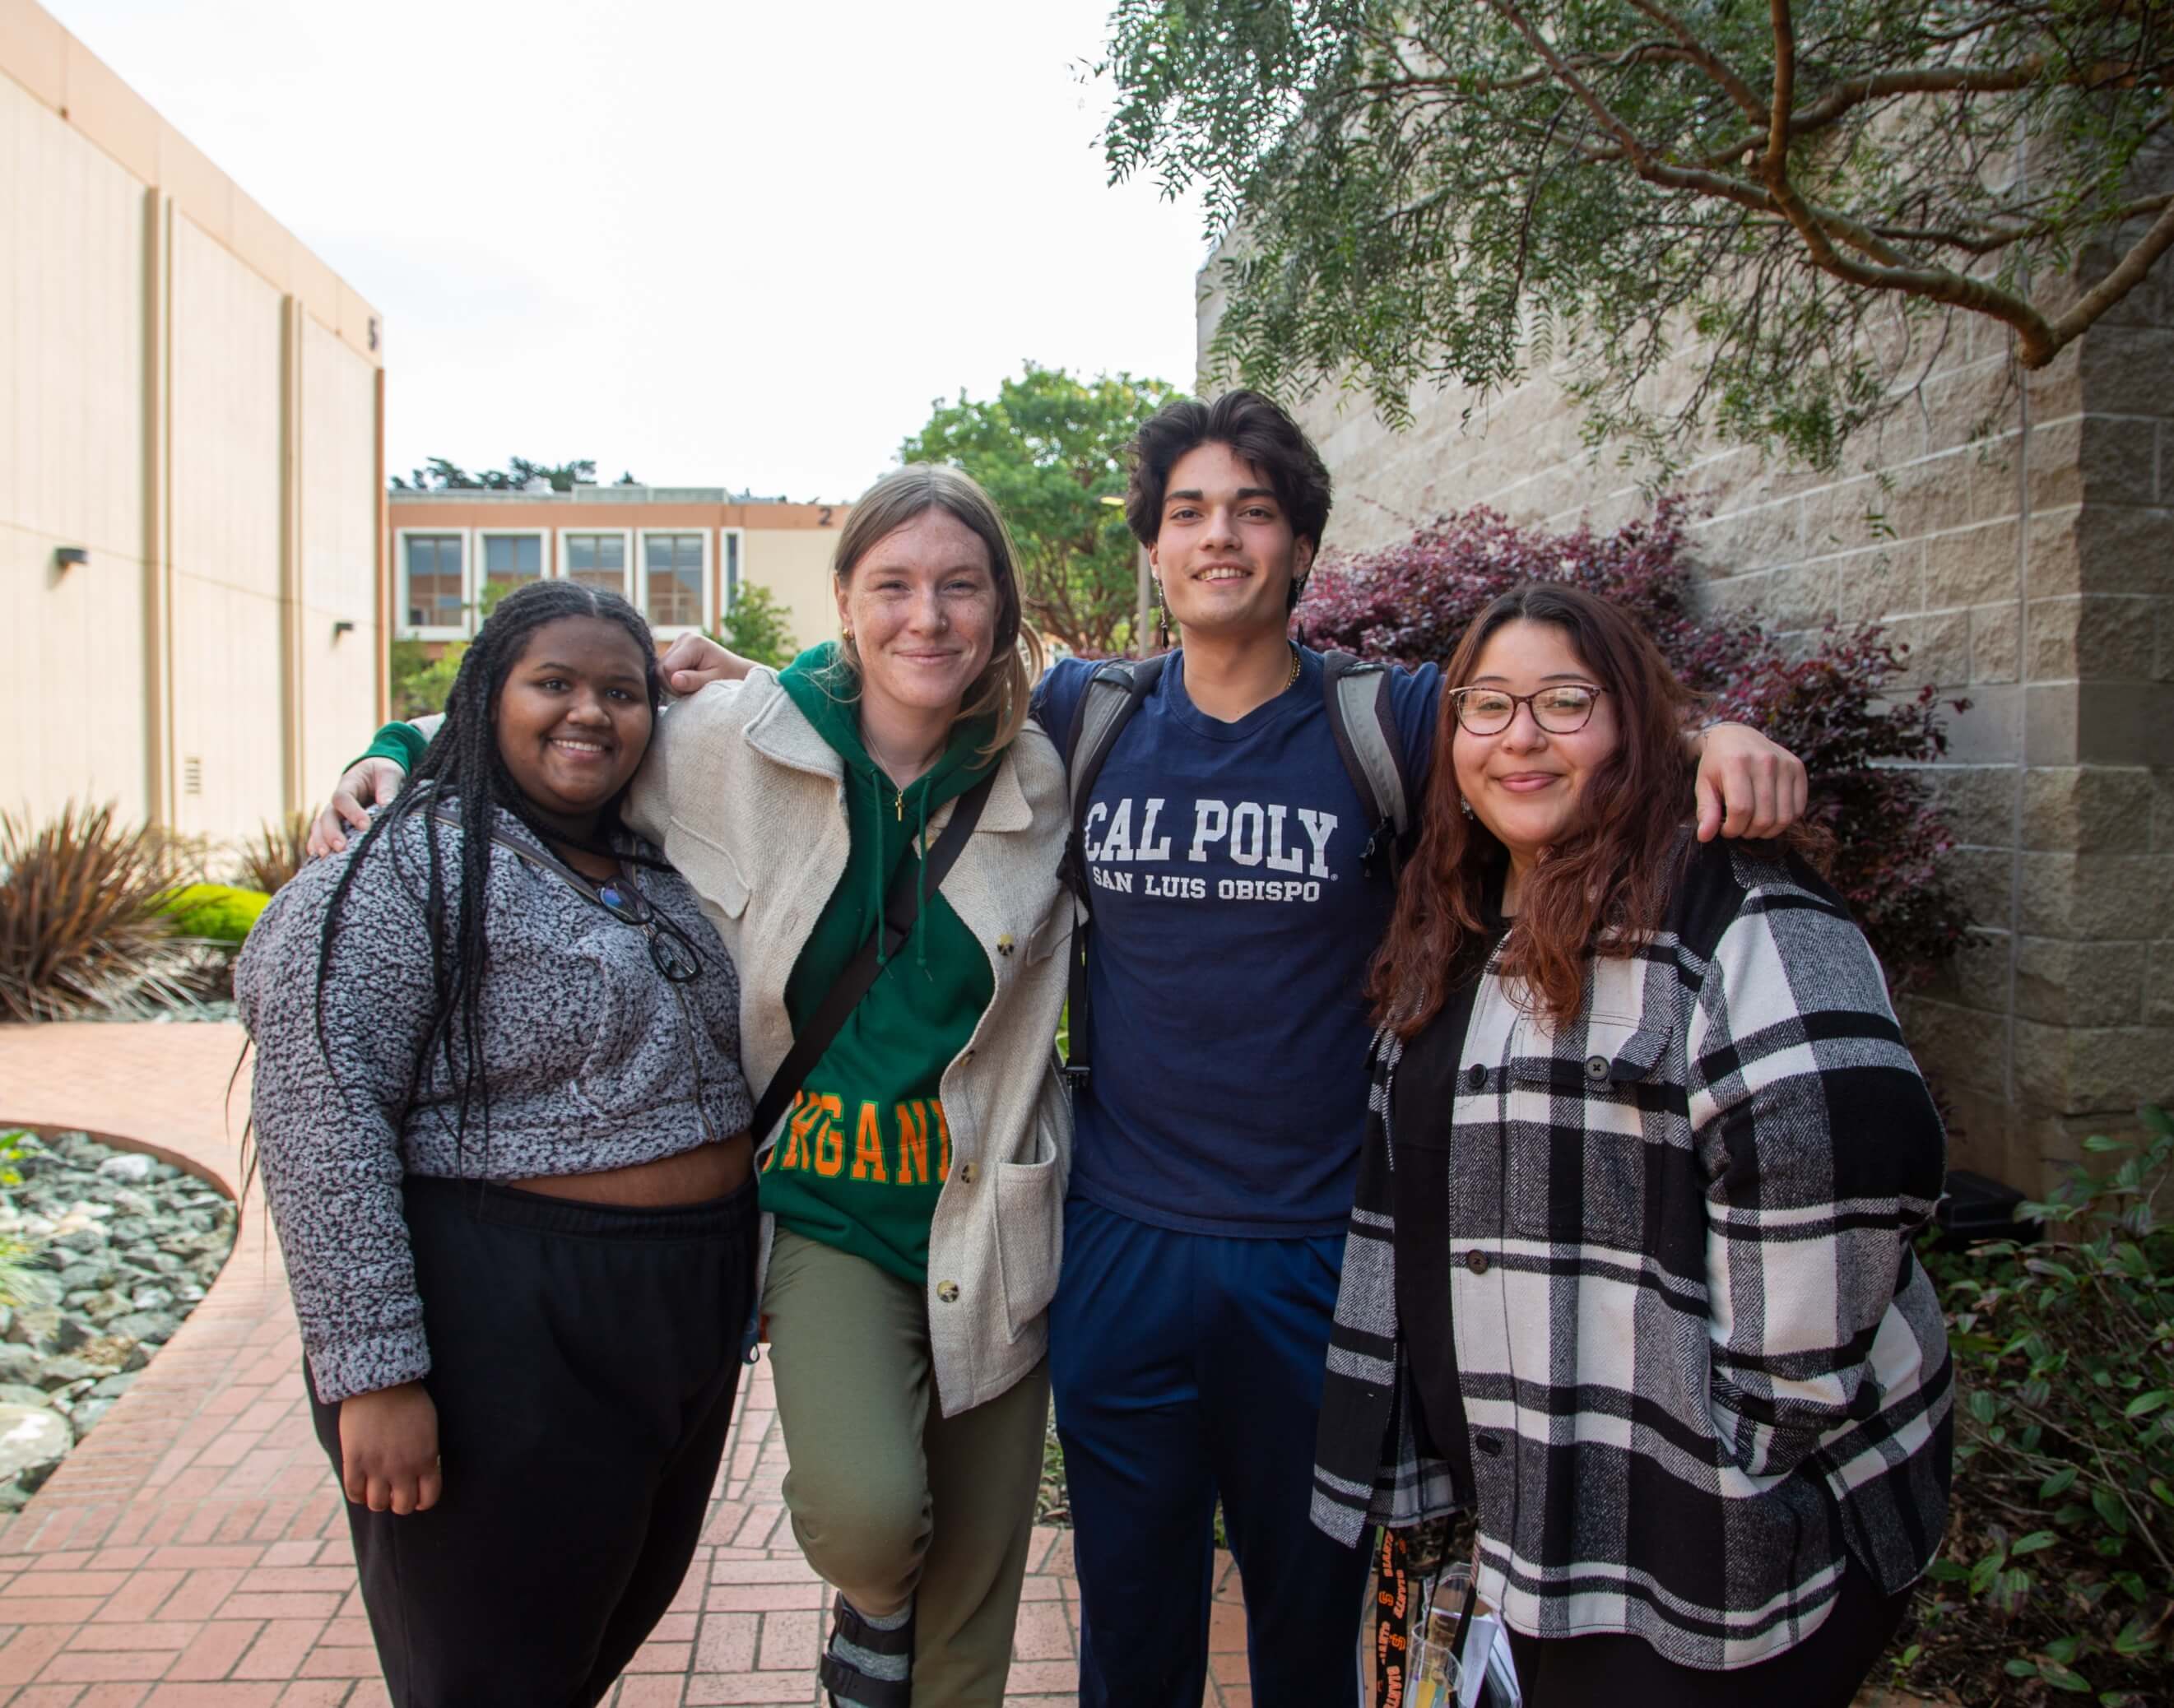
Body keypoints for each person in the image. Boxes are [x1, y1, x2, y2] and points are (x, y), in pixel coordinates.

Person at [555, 394, 1807, 1708]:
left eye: (1254, 512)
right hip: (1118, 1245)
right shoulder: (1088, 719)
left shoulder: (1385, 722)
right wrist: (721, 677)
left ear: (1302, 550)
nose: (1220, 538)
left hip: (1319, 1254)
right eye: (1190, 512)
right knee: (1132, 1621)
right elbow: (892, 713)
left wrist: (1704, 735)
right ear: (1152, 548)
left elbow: (1540, 727)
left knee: (1304, 1624)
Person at [311, 466, 1071, 1708]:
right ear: (843, 601)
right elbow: (542, 730)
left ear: (999, 607)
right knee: (868, 1519)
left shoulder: (1046, 774)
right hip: (827, 1207)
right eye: (893, 586)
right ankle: (871, 1607)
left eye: (959, 587)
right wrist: (388, 753)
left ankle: (907, 1662)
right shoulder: (732, 737)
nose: (925, 618)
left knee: (977, 1590)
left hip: (994, 1209)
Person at [1312, 582, 1953, 1706]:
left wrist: (1736, 1452)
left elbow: (1841, 1162)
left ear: (1635, 725)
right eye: (1488, 705)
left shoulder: (1732, 905)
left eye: (1565, 702)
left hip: (1704, 1542)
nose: (1519, 735)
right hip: (1533, 1523)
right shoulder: (1458, 920)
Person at [237, 580, 760, 1708]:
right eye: (554, 684)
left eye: (621, 693)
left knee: (592, 1640)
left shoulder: (657, 872)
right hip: (506, 1324)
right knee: (488, 1675)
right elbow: (319, 1117)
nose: (591, 714)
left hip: (680, 1314)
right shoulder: (403, 869)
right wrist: (372, 1377)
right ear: (486, 699)